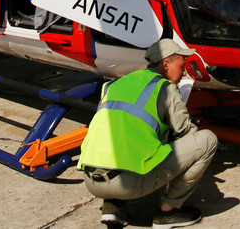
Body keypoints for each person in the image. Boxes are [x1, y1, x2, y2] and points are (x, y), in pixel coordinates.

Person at [78, 40, 218, 228]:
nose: (184, 73)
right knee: (207, 140)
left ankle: (112, 206)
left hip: (91, 180)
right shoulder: (165, 88)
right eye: (182, 66)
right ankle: (168, 212)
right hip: (127, 184)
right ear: (166, 64)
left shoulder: (116, 84)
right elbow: (186, 133)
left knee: (125, 137)